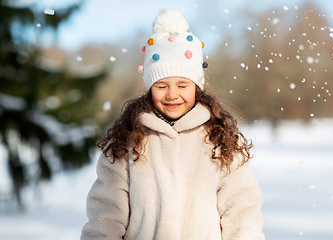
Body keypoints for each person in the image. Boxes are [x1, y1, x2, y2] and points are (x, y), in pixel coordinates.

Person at [81, 9, 265, 240]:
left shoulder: (219, 139)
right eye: (161, 86)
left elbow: (241, 209)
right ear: (149, 89)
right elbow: (107, 211)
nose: (172, 94)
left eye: (182, 85)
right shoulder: (128, 140)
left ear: (197, 87)